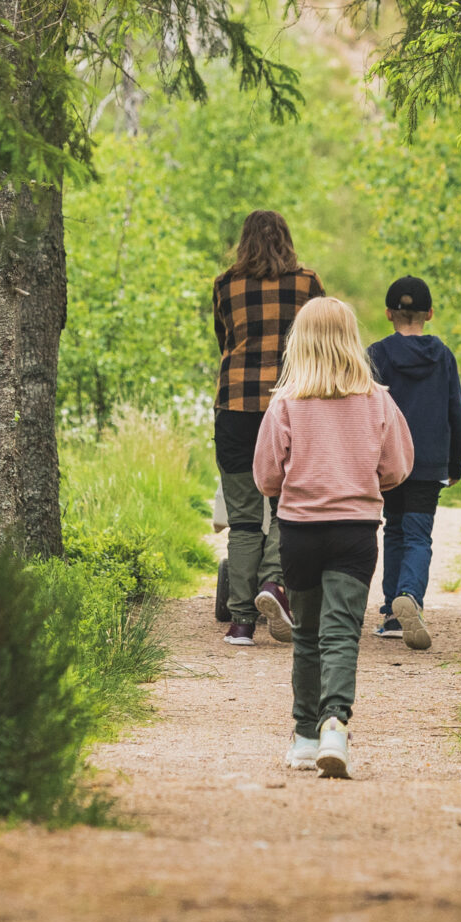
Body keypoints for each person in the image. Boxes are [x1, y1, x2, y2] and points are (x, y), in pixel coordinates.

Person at [253, 298, 414, 777]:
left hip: (299, 532)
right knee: (341, 632)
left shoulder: (285, 403)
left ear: (298, 343)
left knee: (306, 634)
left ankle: (304, 738)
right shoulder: (378, 400)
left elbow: (266, 477)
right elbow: (397, 468)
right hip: (354, 531)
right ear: (351, 340)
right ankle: (334, 726)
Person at [211, 210, 324, 646]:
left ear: (243, 242)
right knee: (285, 507)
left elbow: (224, 340)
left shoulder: (226, 284)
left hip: (236, 406)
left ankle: (241, 622)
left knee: (242, 520)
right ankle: (274, 584)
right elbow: (319, 343)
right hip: (292, 405)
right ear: (286, 239)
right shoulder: (308, 284)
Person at [364, 275, 461, 651]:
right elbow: (457, 415)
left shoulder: (375, 355)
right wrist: (455, 463)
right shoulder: (443, 356)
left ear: (388, 313)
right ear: (430, 313)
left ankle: (393, 614)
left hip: (388, 461)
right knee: (418, 535)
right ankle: (409, 596)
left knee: (393, 529)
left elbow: (364, 411)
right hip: (428, 461)